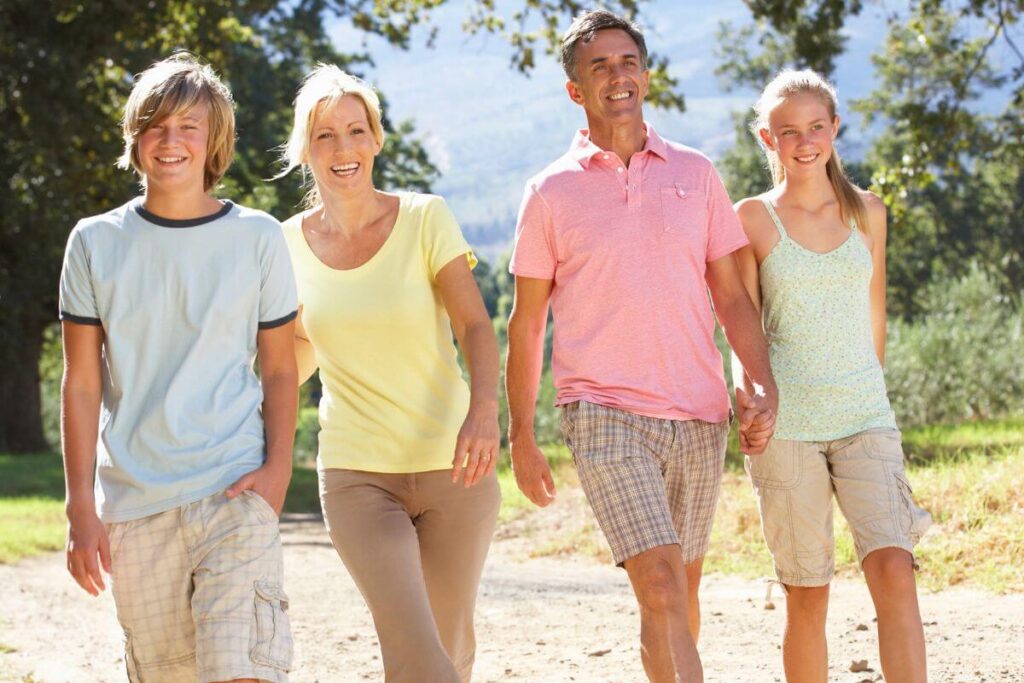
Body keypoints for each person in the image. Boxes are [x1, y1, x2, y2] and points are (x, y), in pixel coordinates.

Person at [505, 10, 778, 683]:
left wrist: (759, 378)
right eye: (599, 67)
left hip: (697, 411)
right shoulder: (549, 192)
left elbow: (734, 296)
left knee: (677, 593)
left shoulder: (696, 172)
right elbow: (526, 320)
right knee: (657, 582)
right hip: (602, 410)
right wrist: (520, 431)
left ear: (647, 75)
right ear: (577, 90)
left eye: (627, 62)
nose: (616, 77)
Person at [59, 53, 298, 683]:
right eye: (156, 125)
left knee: (238, 669)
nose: (171, 141)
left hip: (234, 488)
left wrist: (275, 474)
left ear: (213, 140)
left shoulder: (259, 237)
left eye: (189, 126)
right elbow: (81, 384)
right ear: (135, 137)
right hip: (137, 503)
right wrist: (79, 506)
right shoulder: (93, 241)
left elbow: (279, 369)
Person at [275, 64, 501, 683]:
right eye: (325, 136)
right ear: (305, 150)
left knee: (449, 645)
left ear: (376, 139)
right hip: (356, 476)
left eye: (355, 131)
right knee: (414, 648)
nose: (343, 149)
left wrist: (485, 414)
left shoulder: (426, 218)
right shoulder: (285, 244)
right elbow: (297, 348)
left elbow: (476, 326)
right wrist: (245, 415)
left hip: (455, 464)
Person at [732, 69, 933, 683]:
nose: (804, 140)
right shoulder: (751, 219)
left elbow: (876, 318)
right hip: (787, 427)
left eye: (816, 126)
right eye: (788, 131)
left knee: (895, 571)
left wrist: (876, 395)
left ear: (835, 129)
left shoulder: (869, 213)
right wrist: (749, 398)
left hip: (865, 417)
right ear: (768, 139)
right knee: (807, 592)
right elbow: (740, 323)